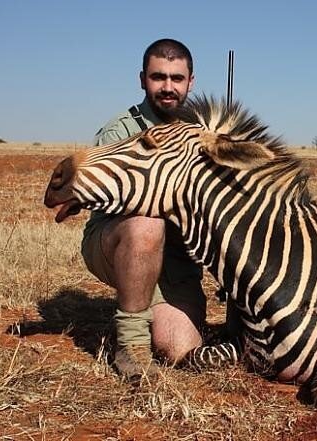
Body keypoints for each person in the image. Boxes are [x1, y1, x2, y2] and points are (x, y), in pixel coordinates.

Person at [81, 38, 205, 381]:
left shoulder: (202, 133)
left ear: (190, 82)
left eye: (177, 79)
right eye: (158, 77)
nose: (168, 87)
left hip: (177, 261)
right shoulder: (120, 131)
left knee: (183, 348)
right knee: (147, 224)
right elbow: (115, 203)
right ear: (142, 79)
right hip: (120, 239)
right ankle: (131, 345)